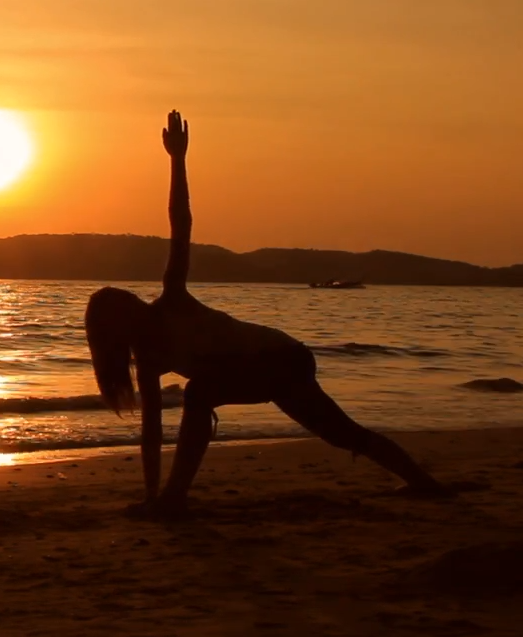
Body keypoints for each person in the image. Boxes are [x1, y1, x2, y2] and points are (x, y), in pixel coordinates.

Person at [85, 110, 449, 520]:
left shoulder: (171, 300)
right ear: (111, 333)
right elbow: (151, 431)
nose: (132, 311)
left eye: (127, 304)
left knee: (210, 396)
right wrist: (148, 493)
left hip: (283, 356)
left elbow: (181, 224)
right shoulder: (148, 360)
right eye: (119, 315)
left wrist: (177, 160)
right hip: (263, 368)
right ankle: (424, 483)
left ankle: (176, 499)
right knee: (335, 432)